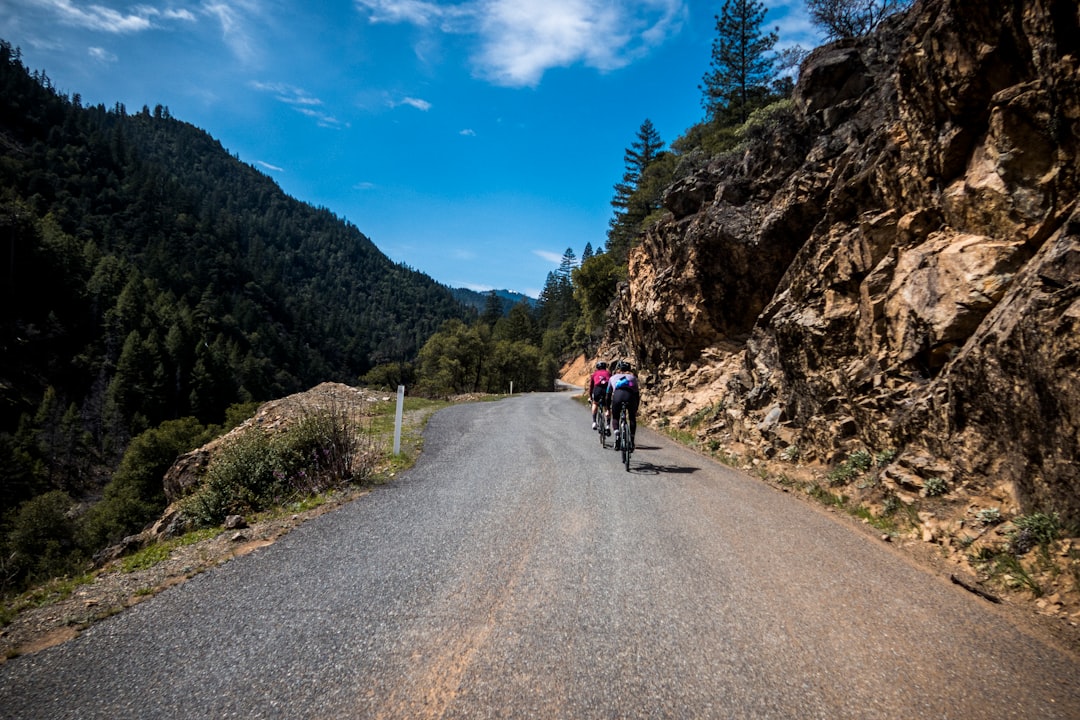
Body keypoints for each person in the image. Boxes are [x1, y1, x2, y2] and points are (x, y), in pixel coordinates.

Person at [607, 360, 640, 451]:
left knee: (616, 417)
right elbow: (637, 394)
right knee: (632, 417)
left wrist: (608, 409)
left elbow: (608, 395)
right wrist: (636, 408)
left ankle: (617, 435)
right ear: (629, 369)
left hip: (617, 397)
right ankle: (632, 441)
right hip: (630, 397)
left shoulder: (612, 378)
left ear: (619, 369)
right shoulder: (632, 378)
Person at [586, 361, 611, 431]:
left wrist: (590, 396)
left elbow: (591, 387)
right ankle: (608, 425)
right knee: (606, 406)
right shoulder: (608, 373)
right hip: (606, 389)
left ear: (597, 368)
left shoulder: (594, 374)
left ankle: (594, 422)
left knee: (595, 403)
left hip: (597, 389)